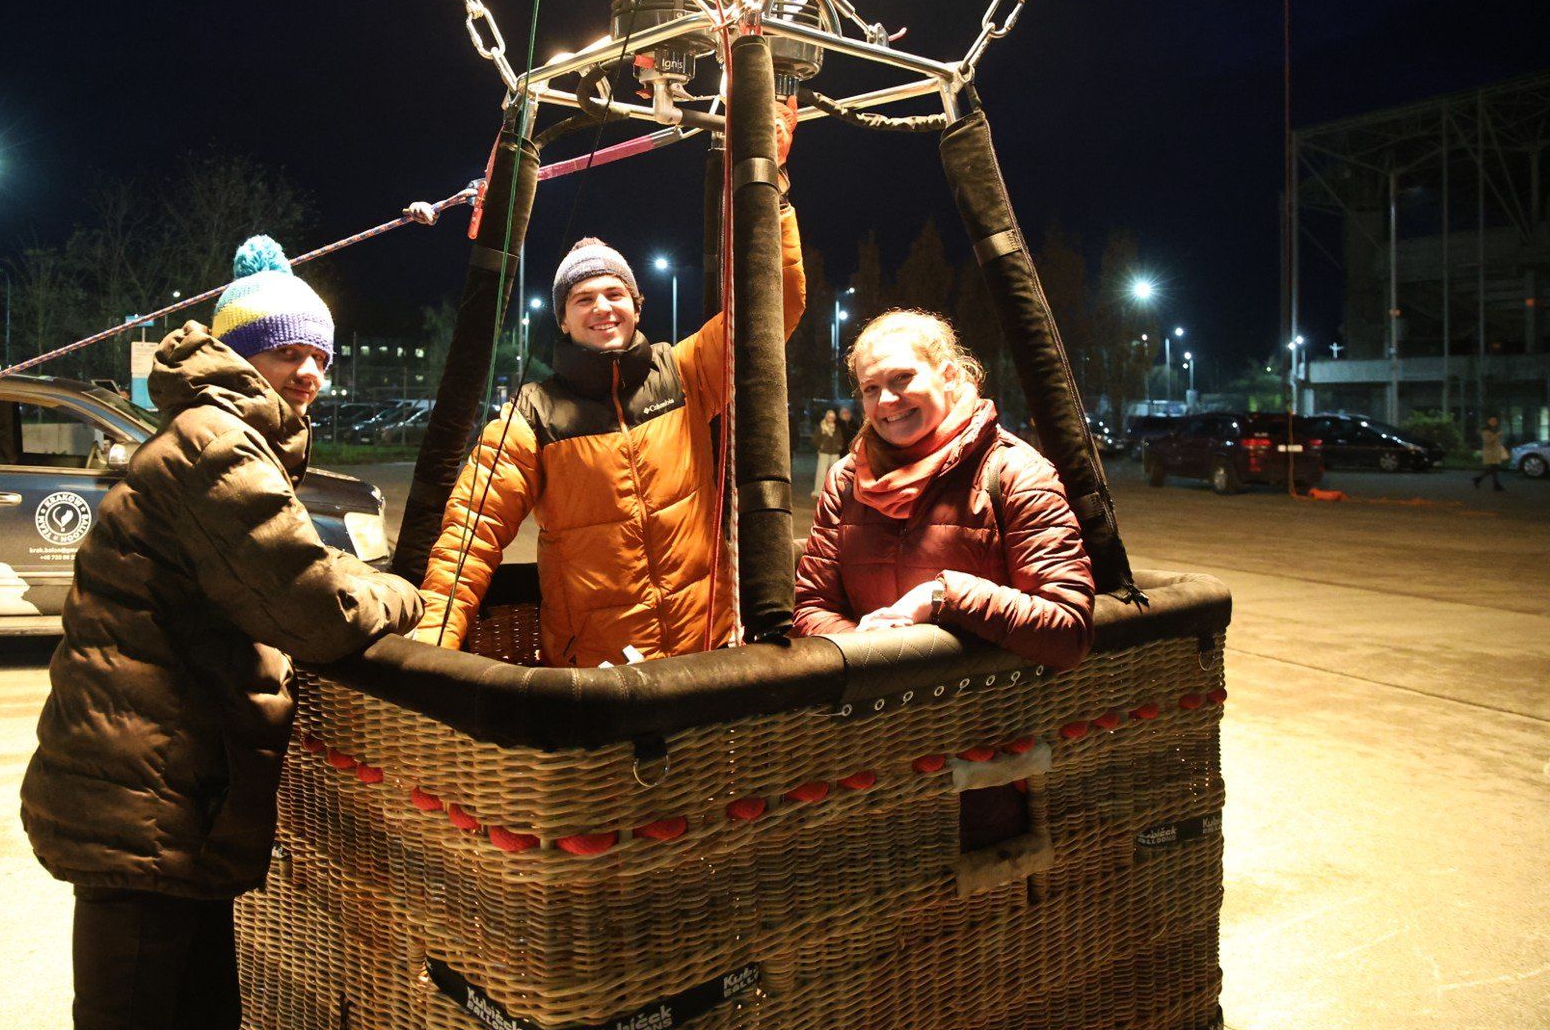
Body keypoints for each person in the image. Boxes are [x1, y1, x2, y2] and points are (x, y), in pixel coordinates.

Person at [22, 236, 423, 1030]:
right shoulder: (215, 445)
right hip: (148, 803)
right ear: (240, 356)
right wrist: (403, 594)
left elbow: (275, 571)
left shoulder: (219, 437)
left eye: (320, 356)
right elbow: (315, 610)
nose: (309, 372)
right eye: (287, 353)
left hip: (165, 798)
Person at [413, 116, 807, 667]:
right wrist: (430, 649)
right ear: (564, 320)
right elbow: (469, 535)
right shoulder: (533, 417)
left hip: (706, 652)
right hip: (601, 676)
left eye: (615, 293)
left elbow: (773, 305)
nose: (602, 306)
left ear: (636, 306)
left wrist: (773, 184)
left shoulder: (684, 371)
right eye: (583, 299)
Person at [793, 309, 1094, 670]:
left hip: (984, 702)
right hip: (874, 702)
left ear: (949, 375)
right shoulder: (845, 481)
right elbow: (812, 607)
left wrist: (941, 596)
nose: (885, 400)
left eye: (902, 378)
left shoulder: (1015, 472)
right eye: (871, 388)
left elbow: (1068, 630)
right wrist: (866, 649)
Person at [1474, 414, 1508, 491]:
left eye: (1495, 420)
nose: (1494, 422)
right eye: (1492, 420)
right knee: (1494, 468)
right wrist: (1497, 435)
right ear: (1488, 421)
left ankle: (1480, 480)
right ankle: (1495, 484)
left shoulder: (1493, 429)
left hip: (1494, 451)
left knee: (1494, 468)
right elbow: (1488, 441)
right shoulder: (1485, 430)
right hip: (1489, 452)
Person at [813, 408, 843, 493]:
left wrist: (839, 446)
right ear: (826, 417)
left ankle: (834, 491)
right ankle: (818, 491)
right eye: (829, 417)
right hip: (824, 453)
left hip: (835, 453)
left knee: (835, 473)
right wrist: (821, 446)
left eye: (832, 417)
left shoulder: (837, 428)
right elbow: (815, 439)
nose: (831, 419)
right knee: (821, 473)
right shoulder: (821, 427)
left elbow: (841, 439)